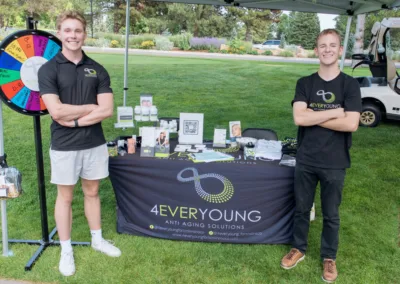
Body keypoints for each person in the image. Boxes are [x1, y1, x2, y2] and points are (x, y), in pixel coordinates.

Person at [38, 11, 121, 277]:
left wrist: (74, 120)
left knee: (93, 192)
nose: (73, 35)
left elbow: (106, 110)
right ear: (59, 33)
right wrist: (88, 107)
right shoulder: (48, 69)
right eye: (68, 30)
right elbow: (56, 112)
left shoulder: (97, 69)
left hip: (93, 143)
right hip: (63, 145)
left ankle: (97, 240)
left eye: (78, 31)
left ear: (84, 34)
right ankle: (66, 249)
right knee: (65, 196)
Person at [280, 29, 361, 283]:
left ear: (339, 51)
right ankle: (298, 248)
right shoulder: (305, 83)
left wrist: (315, 116)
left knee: (331, 213)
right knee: (302, 209)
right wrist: (335, 112)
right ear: (317, 50)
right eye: (322, 45)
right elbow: (298, 117)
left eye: (332, 45)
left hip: (335, 162)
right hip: (306, 158)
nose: (327, 49)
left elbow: (351, 125)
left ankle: (329, 256)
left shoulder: (350, 84)